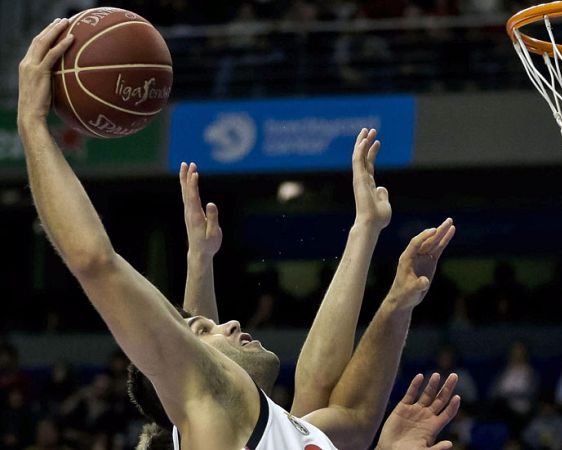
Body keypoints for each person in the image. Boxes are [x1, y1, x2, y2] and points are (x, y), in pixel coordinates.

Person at [18, 19, 459, 450]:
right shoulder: (208, 401)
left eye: (208, 323)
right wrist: (32, 125)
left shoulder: (269, 424)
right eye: (206, 328)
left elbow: (346, 409)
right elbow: (96, 262)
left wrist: (373, 249)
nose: (229, 321)